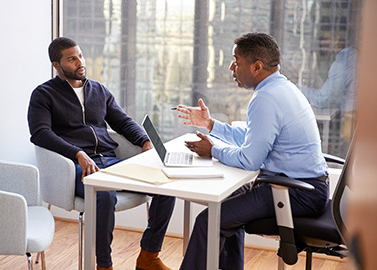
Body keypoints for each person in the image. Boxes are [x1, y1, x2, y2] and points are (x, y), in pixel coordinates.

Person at [175, 32, 329, 270]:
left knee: (210, 221)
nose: (231, 67)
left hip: (296, 192)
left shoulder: (266, 98)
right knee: (226, 204)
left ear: (257, 67)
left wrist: (213, 150)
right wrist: (212, 126)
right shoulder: (281, 87)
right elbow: (254, 139)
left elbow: (250, 159)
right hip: (301, 185)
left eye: (236, 61)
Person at [27, 37, 176, 270]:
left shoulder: (98, 90)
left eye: (81, 56)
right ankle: (103, 265)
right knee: (104, 194)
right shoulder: (44, 94)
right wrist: (77, 153)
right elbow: (40, 134)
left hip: (110, 161)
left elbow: (123, 122)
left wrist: (145, 142)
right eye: (72, 59)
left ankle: (149, 255)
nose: (80, 62)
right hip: (73, 168)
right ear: (57, 65)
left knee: (166, 187)